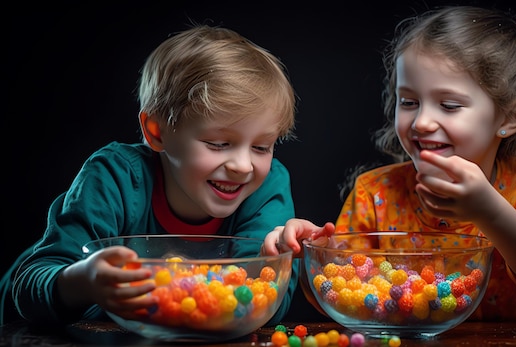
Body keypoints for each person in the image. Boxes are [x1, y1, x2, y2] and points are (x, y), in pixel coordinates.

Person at [264, 5, 516, 323]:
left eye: (449, 105)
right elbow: (347, 293)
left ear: (509, 117)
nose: (423, 122)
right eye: (409, 101)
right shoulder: (376, 192)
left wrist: (489, 212)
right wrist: (311, 252)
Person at [0, 24, 299, 326]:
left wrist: (276, 257)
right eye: (218, 144)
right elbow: (29, 286)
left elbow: (262, 299)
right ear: (157, 132)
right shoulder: (115, 177)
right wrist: (85, 280)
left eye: (261, 147)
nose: (244, 166)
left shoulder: (267, 185)